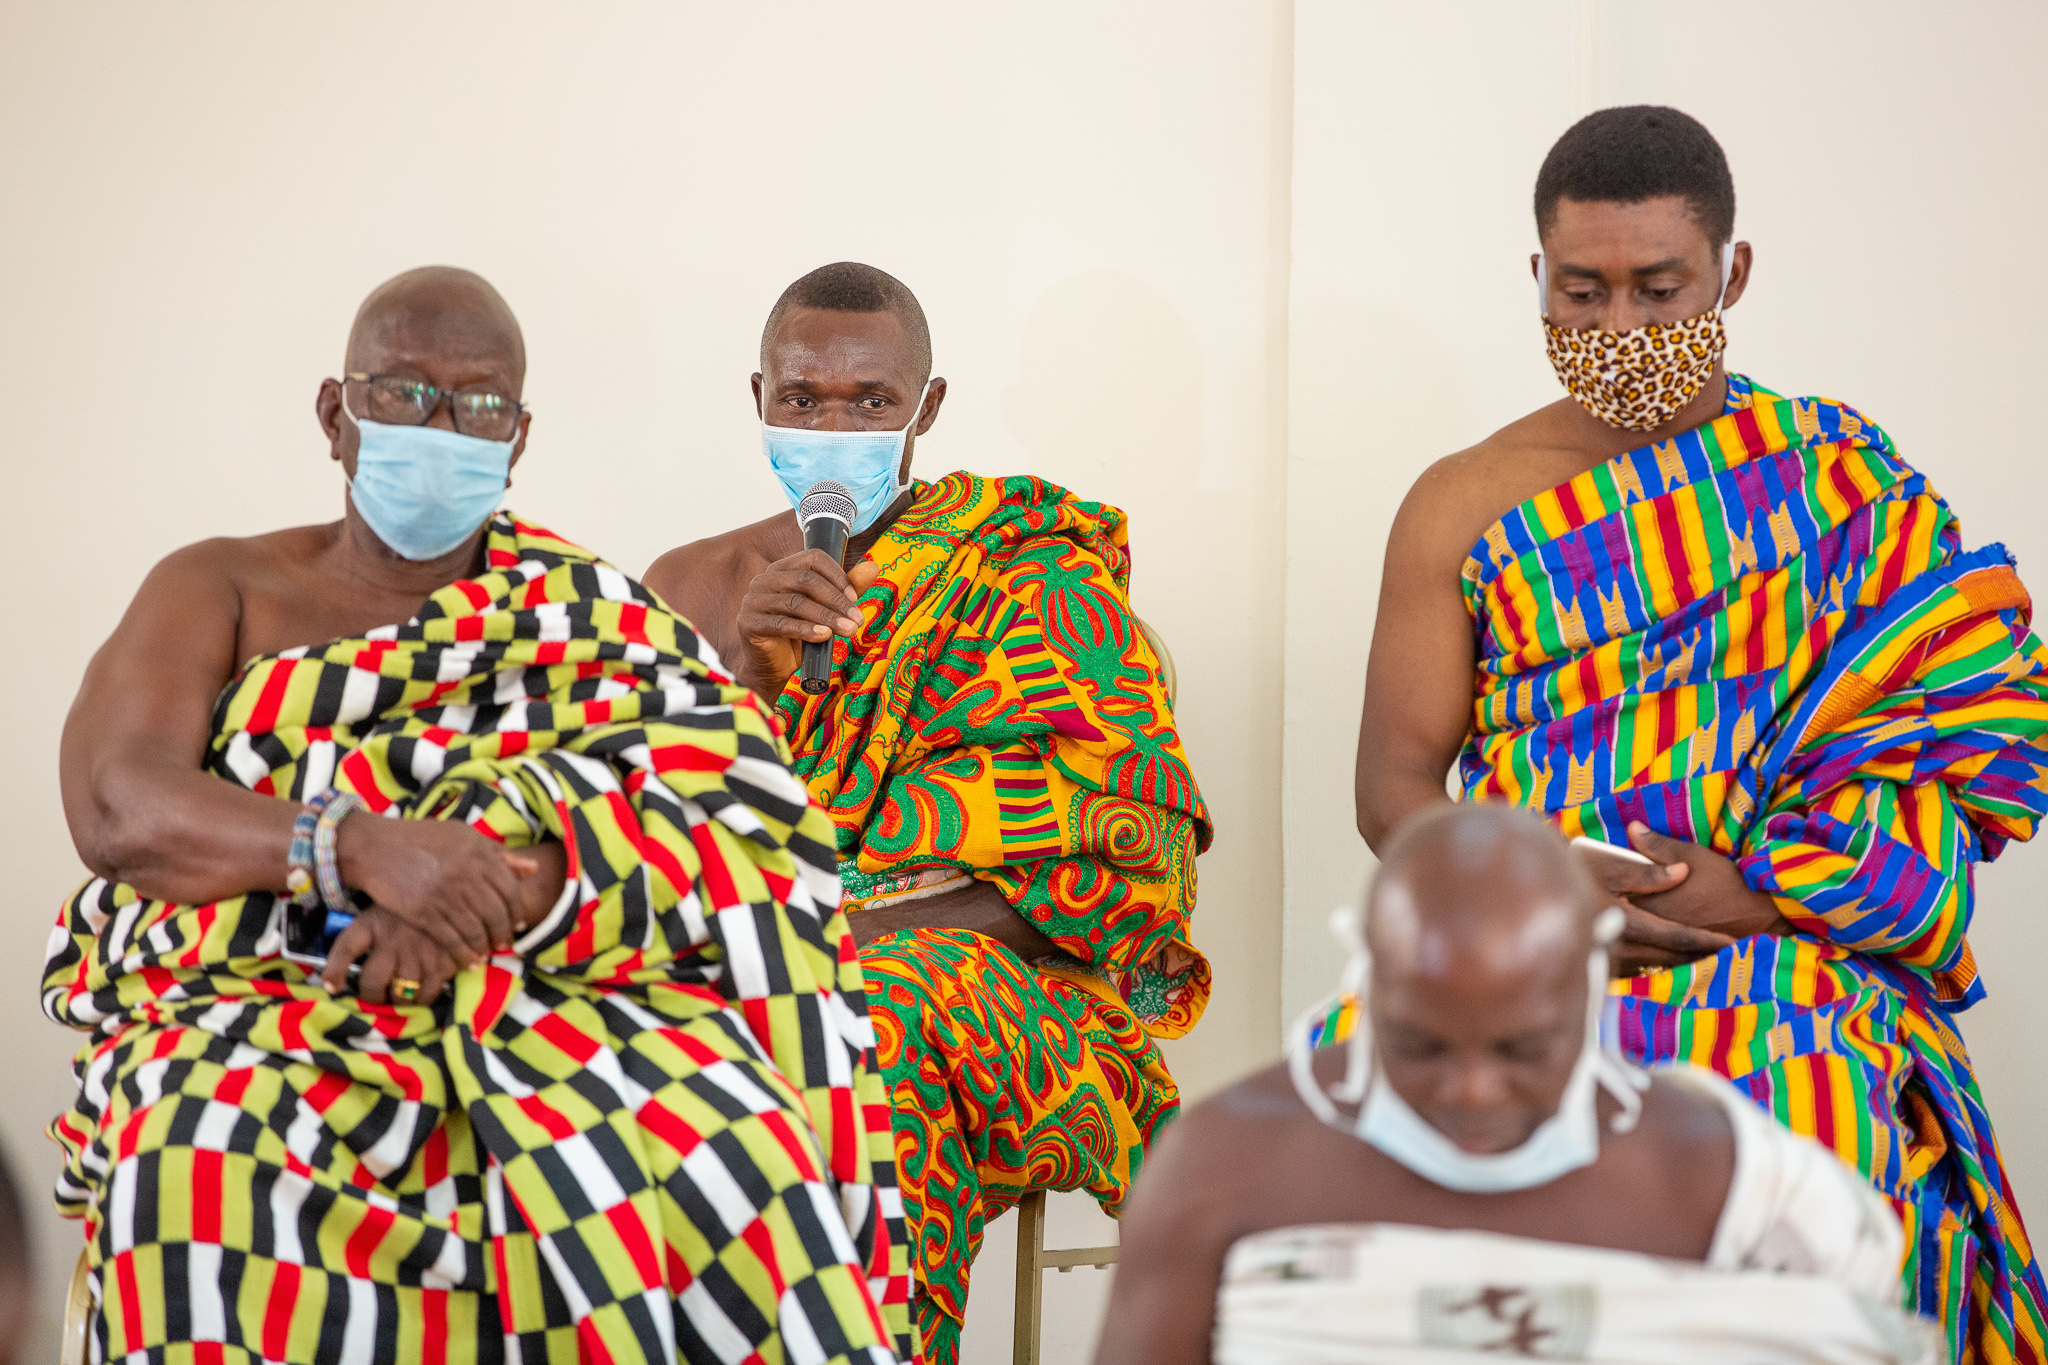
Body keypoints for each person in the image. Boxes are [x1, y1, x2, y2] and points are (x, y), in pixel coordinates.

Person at [43, 266, 910, 1364]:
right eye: (404, 393)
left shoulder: (586, 612)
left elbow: (726, 823)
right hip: (270, 990)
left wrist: (484, 890)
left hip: (552, 991)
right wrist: (359, 849)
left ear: (520, 434)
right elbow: (118, 804)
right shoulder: (223, 585)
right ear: (335, 412)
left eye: (480, 405)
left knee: (740, 1143)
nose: (443, 427)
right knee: (199, 1154)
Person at [1353, 105, 2048, 1362]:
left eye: (1657, 289)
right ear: (1536, 282)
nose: (1618, 329)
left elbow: (1953, 730)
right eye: (1582, 292)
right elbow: (1393, 787)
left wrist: (1769, 893)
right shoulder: (1456, 503)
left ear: (1730, 274)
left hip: (1794, 952)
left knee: (1803, 1143)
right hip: (1535, 965)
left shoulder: (1840, 476)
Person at [645, 261, 1212, 1364]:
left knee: (857, 1021)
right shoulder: (685, 585)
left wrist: (826, 946)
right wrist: (740, 677)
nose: (832, 423)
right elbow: (624, 844)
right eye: (801, 399)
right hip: (730, 967)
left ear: (928, 408)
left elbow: (1105, 852)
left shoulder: (1025, 574)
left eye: (871, 403)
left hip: (967, 987)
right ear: (756, 398)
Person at [1095, 804, 1939, 1365]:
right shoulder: (1220, 1166)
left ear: (1589, 994)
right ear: (1369, 987)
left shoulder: (1744, 1189)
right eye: (1420, 1044)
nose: (1472, 1090)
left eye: (1524, 1047)